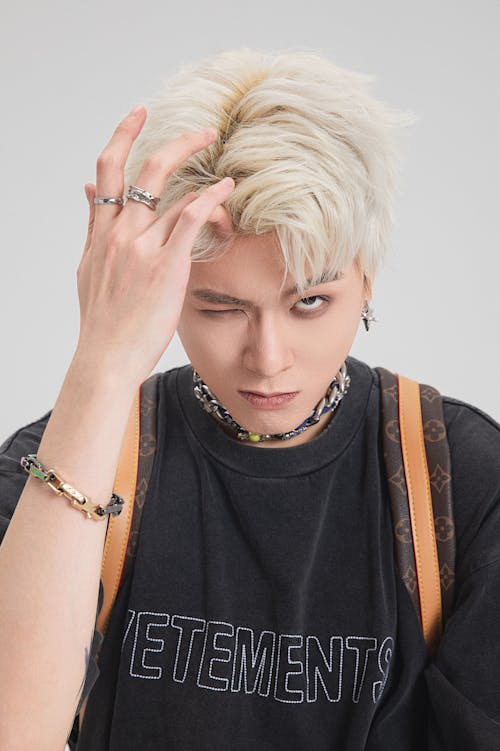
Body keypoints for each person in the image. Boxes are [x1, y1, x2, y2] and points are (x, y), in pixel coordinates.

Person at [0, 47, 499, 751]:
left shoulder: (462, 479)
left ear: (368, 276)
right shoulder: (71, 458)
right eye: (219, 307)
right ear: (166, 296)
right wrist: (101, 359)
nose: (268, 360)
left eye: (311, 302)